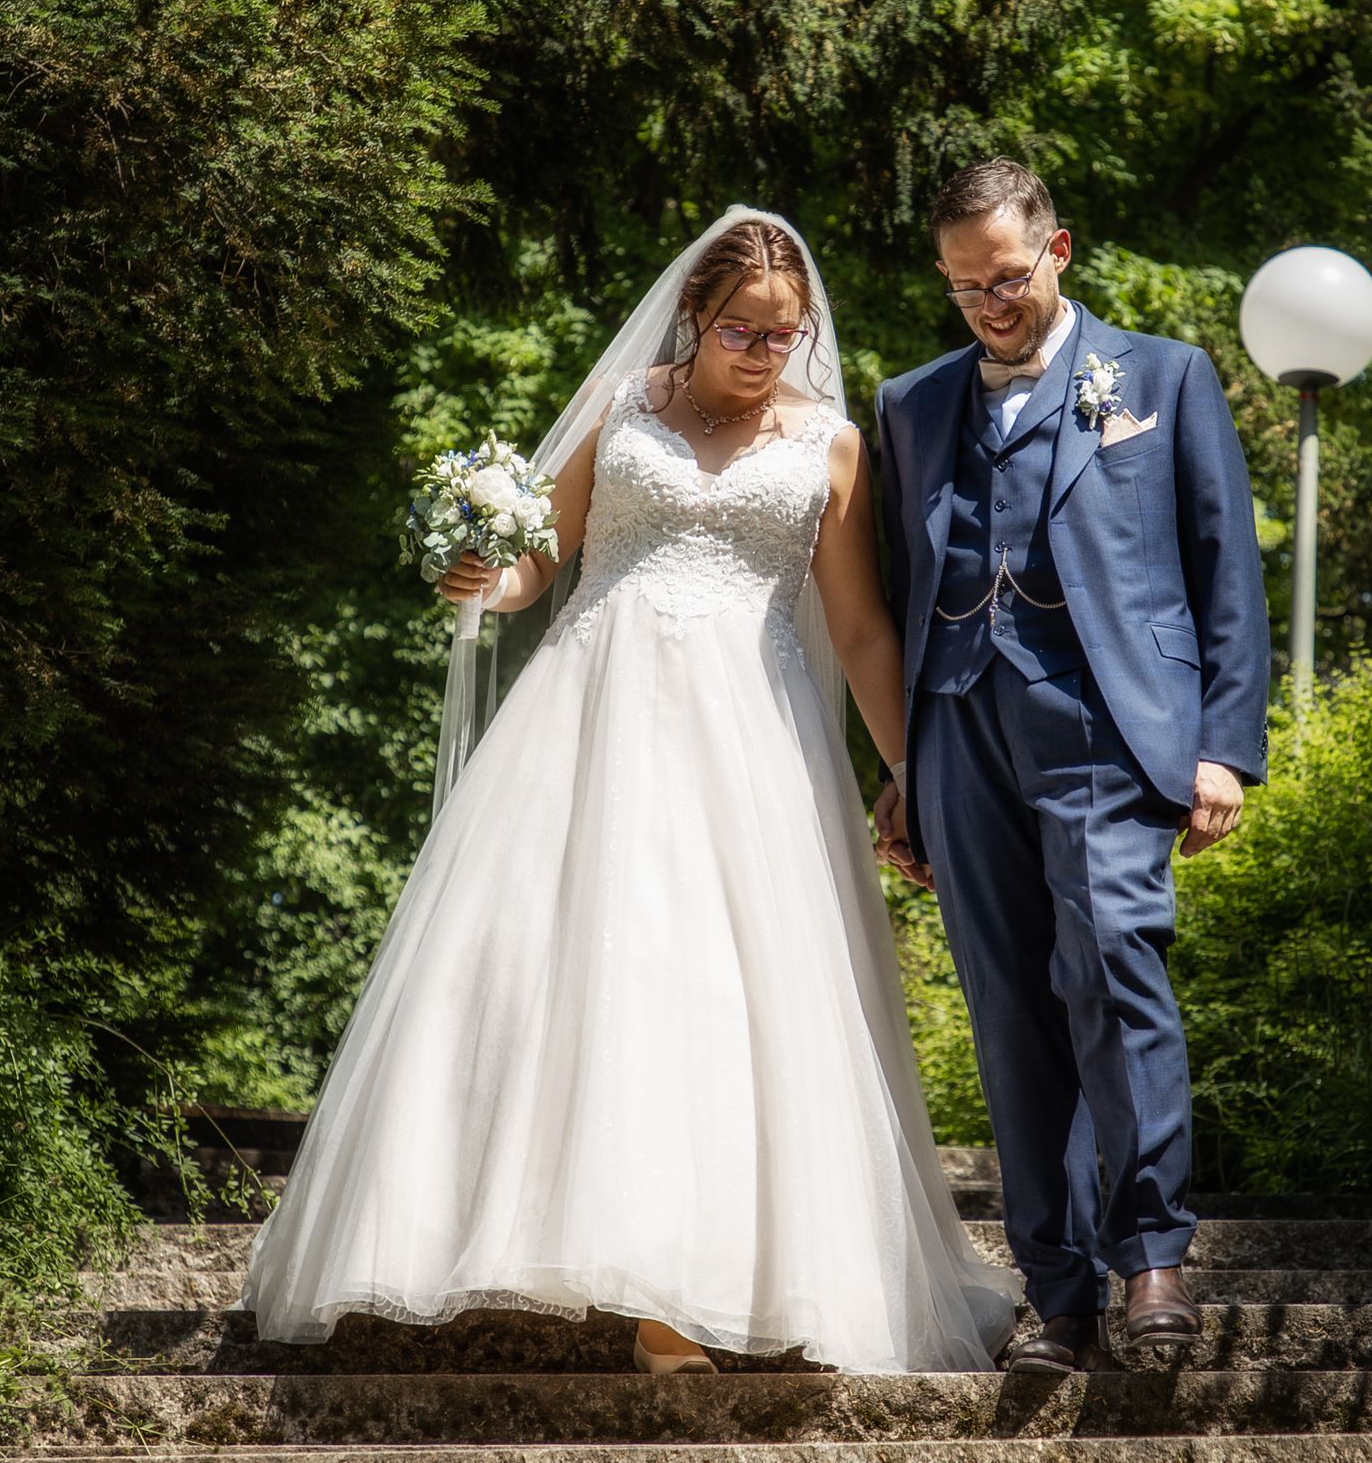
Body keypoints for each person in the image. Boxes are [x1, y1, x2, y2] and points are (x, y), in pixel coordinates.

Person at [243, 208, 1020, 1374]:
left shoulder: (832, 445)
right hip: (590, 711)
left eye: (783, 336)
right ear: (695, 317)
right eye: (741, 331)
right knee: (548, 971)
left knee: (710, 990)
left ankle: (684, 1292)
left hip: (749, 738)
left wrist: (908, 770)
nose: (763, 355)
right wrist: (484, 573)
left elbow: (858, 631)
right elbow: (538, 563)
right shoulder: (621, 413)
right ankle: (457, 1241)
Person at [875, 159, 1269, 1373]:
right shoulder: (909, 405)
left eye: (1001, 278)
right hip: (959, 729)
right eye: (960, 290)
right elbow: (892, 596)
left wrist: (1223, 745)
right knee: (1006, 1012)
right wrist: (899, 767)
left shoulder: (1160, 376)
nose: (985, 306)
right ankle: (1057, 1296)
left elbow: (1223, 566)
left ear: (1056, 250)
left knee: (1112, 970)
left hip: (1107, 725)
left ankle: (1148, 1257)